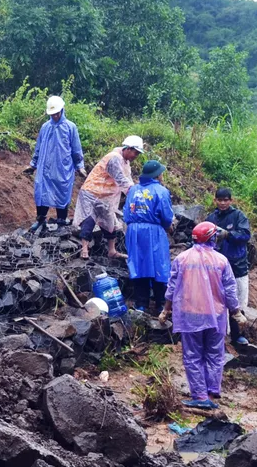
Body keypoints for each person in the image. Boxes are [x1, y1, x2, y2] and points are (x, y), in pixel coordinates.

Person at [159, 221, 247, 409]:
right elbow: (230, 290)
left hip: (190, 315)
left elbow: (172, 287)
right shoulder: (222, 260)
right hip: (216, 315)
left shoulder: (182, 259)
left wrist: (166, 309)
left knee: (193, 355)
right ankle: (212, 392)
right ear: (212, 238)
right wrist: (236, 312)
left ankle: (200, 396)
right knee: (215, 353)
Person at [73, 135, 144, 260]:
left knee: (110, 221)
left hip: (105, 195)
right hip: (92, 192)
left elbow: (128, 179)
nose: (136, 156)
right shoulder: (114, 158)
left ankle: (112, 251)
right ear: (128, 148)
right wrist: (136, 195)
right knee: (89, 219)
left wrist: (137, 192)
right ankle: (84, 249)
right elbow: (121, 179)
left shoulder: (125, 162)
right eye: (135, 153)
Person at [24, 95, 85, 233]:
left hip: (62, 168)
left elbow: (76, 149)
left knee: (62, 193)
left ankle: (61, 222)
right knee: (42, 193)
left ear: (62, 110)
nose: (55, 116)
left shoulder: (70, 127)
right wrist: (33, 164)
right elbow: (38, 147)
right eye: (53, 114)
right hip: (45, 168)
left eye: (57, 113)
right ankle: (40, 220)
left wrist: (80, 166)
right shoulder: (45, 127)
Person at [124, 160, 174, 313]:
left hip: (133, 231)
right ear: (157, 175)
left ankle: (141, 304)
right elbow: (166, 217)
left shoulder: (133, 190)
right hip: (153, 231)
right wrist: (168, 226)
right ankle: (160, 305)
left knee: (138, 264)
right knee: (159, 264)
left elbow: (126, 212)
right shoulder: (161, 191)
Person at [205, 187, 252, 346]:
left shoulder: (238, 216)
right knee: (217, 301)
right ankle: (220, 335)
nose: (223, 203)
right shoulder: (211, 218)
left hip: (237, 266)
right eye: (220, 200)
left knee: (237, 300)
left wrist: (228, 234)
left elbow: (245, 235)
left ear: (231, 200)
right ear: (215, 200)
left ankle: (238, 335)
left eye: (226, 200)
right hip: (216, 267)